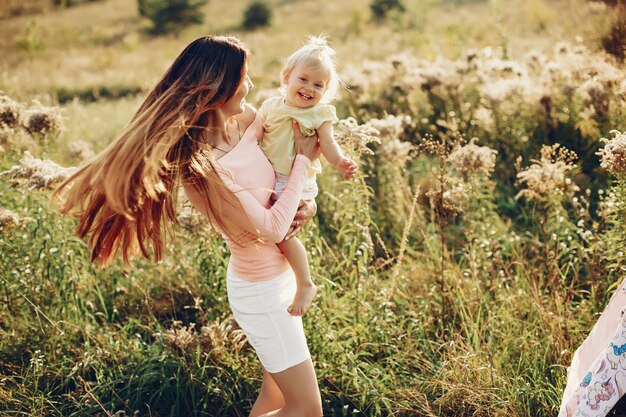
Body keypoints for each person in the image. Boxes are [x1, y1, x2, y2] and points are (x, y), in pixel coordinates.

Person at [54, 35, 324, 417]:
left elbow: (282, 184)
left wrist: (307, 203)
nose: (249, 85)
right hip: (262, 293)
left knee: (277, 400)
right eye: (243, 78)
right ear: (217, 87)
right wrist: (303, 162)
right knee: (307, 411)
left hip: (279, 279)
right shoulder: (203, 166)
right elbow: (276, 228)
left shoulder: (246, 120)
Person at [259, 35, 357, 317]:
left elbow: (327, 143)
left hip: (298, 183)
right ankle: (283, 278)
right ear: (286, 77)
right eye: (303, 79)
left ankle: (305, 283)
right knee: (268, 228)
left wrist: (339, 162)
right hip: (271, 178)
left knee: (282, 233)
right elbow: (258, 133)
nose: (309, 88)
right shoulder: (271, 106)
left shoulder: (319, 113)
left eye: (318, 85)